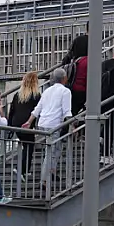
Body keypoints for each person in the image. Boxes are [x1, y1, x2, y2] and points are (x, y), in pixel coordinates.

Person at [23, 68, 72, 197]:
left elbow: (37, 108)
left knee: (53, 150)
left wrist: (29, 121)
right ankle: (45, 180)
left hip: (42, 123)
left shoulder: (47, 90)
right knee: (52, 152)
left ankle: (51, 172)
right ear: (64, 78)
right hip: (54, 124)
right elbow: (67, 112)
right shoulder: (65, 91)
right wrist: (72, 124)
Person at [8, 71, 43, 179]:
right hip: (26, 124)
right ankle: (22, 170)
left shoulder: (17, 95)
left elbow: (11, 111)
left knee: (26, 145)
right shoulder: (36, 95)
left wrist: (10, 126)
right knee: (29, 146)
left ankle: (24, 170)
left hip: (16, 123)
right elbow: (39, 110)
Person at [63, 35, 90, 116]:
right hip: (83, 92)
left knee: (71, 113)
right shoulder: (88, 60)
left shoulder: (74, 60)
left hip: (72, 89)